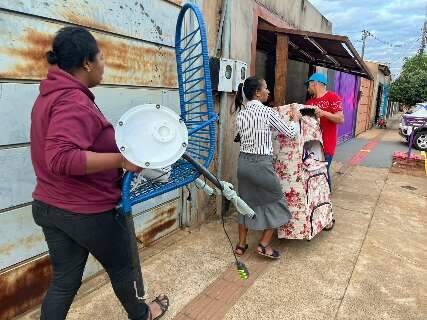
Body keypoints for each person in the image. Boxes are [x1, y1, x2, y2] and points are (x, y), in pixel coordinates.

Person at [30, 26, 169, 320]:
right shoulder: (73, 101)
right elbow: (61, 157)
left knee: (64, 282)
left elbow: (77, 141)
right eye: (102, 58)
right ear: (87, 63)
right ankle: (142, 314)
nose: (104, 65)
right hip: (85, 212)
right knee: (123, 267)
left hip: (50, 205)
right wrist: (122, 160)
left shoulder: (51, 95)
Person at [234, 76, 301, 259]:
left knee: (244, 204)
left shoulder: (240, 114)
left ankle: (241, 245)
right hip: (261, 165)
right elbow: (290, 132)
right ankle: (263, 245)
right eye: (266, 88)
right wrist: (295, 119)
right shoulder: (267, 112)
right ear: (257, 92)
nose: (269, 91)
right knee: (279, 204)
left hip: (243, 164)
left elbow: (242, 136)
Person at [305, 73, 344, 189]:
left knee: (322, 174)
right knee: (314, 175)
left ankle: (326, 202)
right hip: (311, 146)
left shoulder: (333, 97)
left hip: (326, 145)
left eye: (309, 85)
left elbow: (341, 119)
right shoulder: (309, 103)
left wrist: (323, 113)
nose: (308, 88)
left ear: (315, 84)